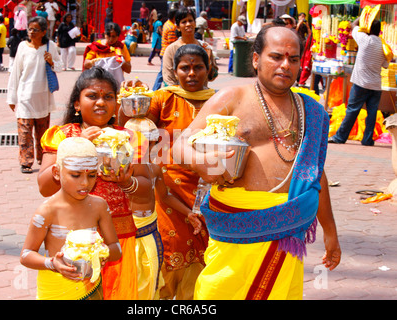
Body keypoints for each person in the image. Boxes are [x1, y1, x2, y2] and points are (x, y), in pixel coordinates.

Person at [173, 25, 341, 300]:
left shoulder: (310, 110)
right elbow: (181, 144)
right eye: (276, 56)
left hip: (286, 233)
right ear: (255, 59)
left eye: (293, 58)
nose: (285, 65)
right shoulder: (233, 97)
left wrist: (330, 232)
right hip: (234, 230)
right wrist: (200, 161)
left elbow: (314, 174)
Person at [38, 66, 143, 300]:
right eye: (92, 96)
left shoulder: (127, 137)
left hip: (119, 238)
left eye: (108, 97)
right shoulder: (63, 135)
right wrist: (76, 148)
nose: (100, 103)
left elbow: (147, 187)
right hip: (73, 240)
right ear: (77, 103)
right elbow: (44, 186)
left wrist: (128, 183)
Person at [122, 44, 215, 300]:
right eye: (185, 68)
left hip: (206, 194)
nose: (192, 73)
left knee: (201, 270)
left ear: (209, 70)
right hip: (167, 194)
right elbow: (132, 127)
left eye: (198, 67)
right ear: (175, 71)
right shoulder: (163, 99)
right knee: (164, 262)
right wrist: (127, 101)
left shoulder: (218, 102)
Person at [20, 136, 121, 300]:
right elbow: (26, 255)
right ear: (56, 173)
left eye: (92, 175)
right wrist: (52, 263)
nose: (85, 183)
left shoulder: (99, 206)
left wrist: (102, 254)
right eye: (76, 175)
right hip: (56, 290)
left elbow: (116, 248)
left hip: (91, 289)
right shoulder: (47, 211)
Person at [7, 16, 63, 174]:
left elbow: (60, 67)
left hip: (43, 98)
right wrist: (12, 98)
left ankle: (42, 159)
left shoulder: (50, 46)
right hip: (25, 97)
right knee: (24, 133)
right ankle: (26, 162)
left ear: (44, 31)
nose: (31, 32)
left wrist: (52, 61)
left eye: (35, 30)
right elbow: (16, 73)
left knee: (42, 133)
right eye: (29, 29)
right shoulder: (23, 47)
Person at [328, 18, 389, 147]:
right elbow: (385, 65)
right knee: (372, 113)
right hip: (376, 85)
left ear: (368, 27)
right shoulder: (383, 45)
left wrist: (364, 16)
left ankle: (340, 137)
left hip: (361, 83)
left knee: (352, 110)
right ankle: (367, 140)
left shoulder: (364, 39)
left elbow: (353, 25)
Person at [162, 7, 218, 87]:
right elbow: (168, 80)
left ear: (195, 23)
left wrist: (209, 62)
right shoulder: (171, 50)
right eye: (184, 22)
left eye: (190, 21)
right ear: (178, 27)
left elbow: (213, 77)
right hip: (178, 96)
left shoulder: (205, 47)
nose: (188, 24)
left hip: (202, 97)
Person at [83, 22, 131, 88]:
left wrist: (121, 62)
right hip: (98, 82)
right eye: (108, 36)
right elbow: (86, 64)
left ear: (118, 36)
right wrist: (93, 62)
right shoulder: (98, 46)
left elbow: (128, 70)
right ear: (105, 34)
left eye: (113, 36)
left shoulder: (121, 47)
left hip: (115, 84)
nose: (111, 39)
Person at [152, 8, 177, 90]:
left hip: (164, 51)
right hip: (168, 53)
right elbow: (172, 42)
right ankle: (156, 89)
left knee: (164, 72)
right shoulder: (172, 27)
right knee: (164, 73)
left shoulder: (166, 24)